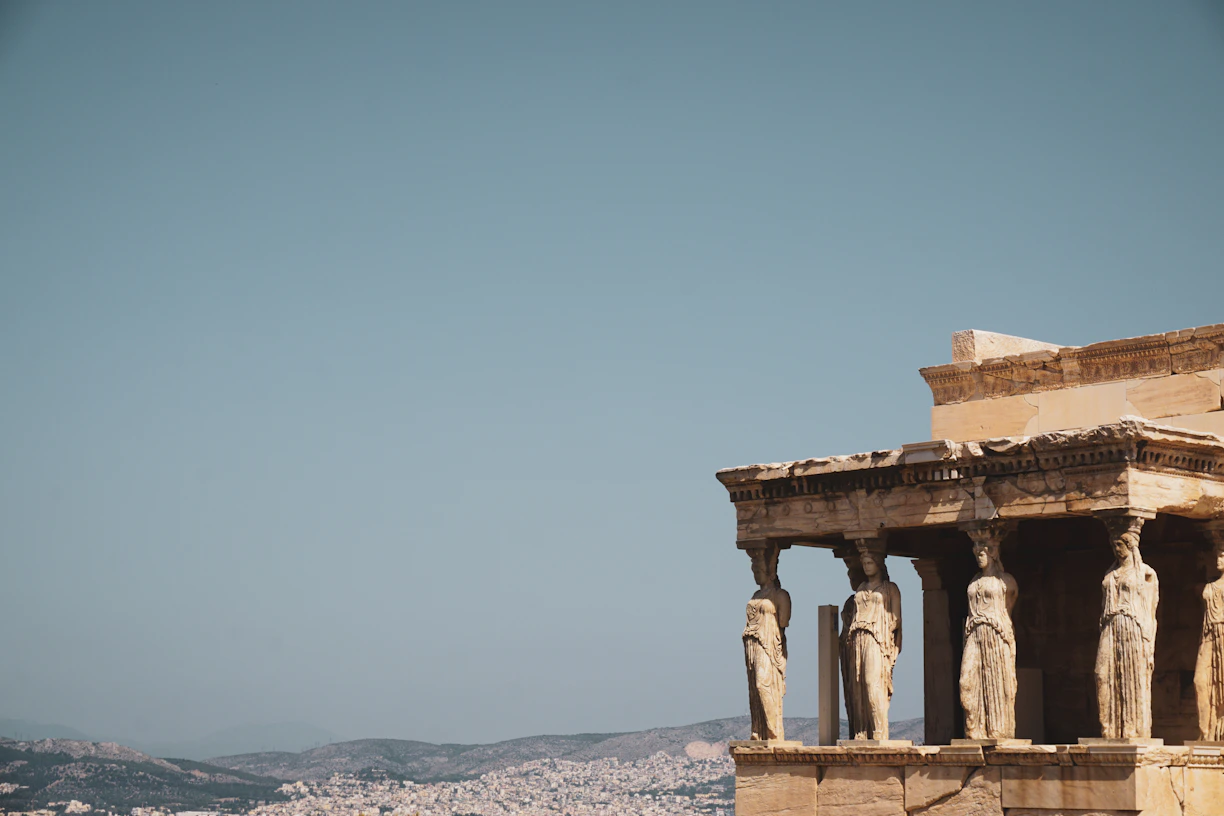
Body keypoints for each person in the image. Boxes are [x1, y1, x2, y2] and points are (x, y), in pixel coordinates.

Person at [1095, 518, 1159, 739]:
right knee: (1102, 674)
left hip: (1133, 626)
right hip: (1110, 627)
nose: (1116, 549)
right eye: (1113, 545)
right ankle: (1109, 728)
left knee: (1132, 676)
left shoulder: (1146, 574)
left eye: (1120, 545)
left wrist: (1148, 643)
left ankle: (1133, 729)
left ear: (1131, 546)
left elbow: (1151, 610)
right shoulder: (1109, 573)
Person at [960, 531, 1019, 740]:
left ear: (993, 553)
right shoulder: (973, 582)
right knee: (966, 683)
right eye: (976, 552)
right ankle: (974, 730)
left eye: (982, 552)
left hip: (996, 633)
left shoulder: (1006, 581)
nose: (978, 556)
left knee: (997, 682)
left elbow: (1008, 610)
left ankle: (997, 730)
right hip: (974, 633)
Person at [845, 539, 902, 740]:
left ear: (879, 563)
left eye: (870, 562)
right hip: (858, 638)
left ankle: (880, 731)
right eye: (865, 563)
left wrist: (879, 628)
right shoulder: (860, 588)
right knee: (858, 685)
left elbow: (895, 619)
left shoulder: (890, 588)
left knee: (872, 682)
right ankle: (863, 731)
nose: (867, 566)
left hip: (877, 638)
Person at [743, 544, 791, 741]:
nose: (756, 574)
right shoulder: (756, 596)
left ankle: (773, 731)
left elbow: (784, 621)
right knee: (754, 688)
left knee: (763, 684)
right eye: (754, 570)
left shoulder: (780, 595)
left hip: (768, 645)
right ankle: (759, 730)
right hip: (751, 644)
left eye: (760, 570)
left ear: (770, 572)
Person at [1195, 540, 1224, 741]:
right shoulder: (1210, 586)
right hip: (1208, 635)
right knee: (1200, 681)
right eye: (1217, 554)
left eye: (1222, 555)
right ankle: (1206, 731)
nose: (1218, 559)